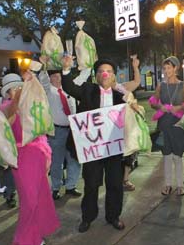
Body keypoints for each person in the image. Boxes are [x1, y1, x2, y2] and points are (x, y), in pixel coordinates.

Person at [61, 57, 126, 233]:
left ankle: (113, 216)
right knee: (91, 184)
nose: (104, 74)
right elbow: (69, 87)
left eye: (109, 71)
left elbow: (129, 121)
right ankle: (87, 217)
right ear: (96, 76)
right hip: (92, 150)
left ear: (113, 76)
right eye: (101, 71)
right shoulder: (88, 90)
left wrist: (135, 107)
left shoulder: (121, 97)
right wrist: (66, 69)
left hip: (113, 150)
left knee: (115, 184)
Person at [0, 70, 60, 245]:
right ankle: (24, 240)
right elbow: (8, 115)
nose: (17, 90)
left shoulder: (30, 107)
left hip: (38, 155)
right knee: (29, 200)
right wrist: (20, 93)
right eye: (13, 89)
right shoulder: (5, 108)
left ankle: (36, 236)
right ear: (7, 94)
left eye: (20, 87)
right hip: (22, 158)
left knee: (41, 198)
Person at [37, 59, 83, 201]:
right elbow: (43, 80)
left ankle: (71, 186)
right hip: (57, 131)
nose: (58, 78)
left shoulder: (69, 89)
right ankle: (56, 187)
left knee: (74, 159)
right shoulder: (48, 91)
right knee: (56, 161)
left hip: (73, 130)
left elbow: (82, 77)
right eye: (54, 76)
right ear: (50, 78)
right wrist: (44, 66)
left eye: (59, 76)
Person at [150, 56, 184, 196]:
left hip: (178, 125)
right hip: (164, 124)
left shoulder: (183, 85)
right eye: (165, 68)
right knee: (166, 156)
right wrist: (160, 106)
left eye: (169, 68)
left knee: (177, 156)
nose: (166, 71)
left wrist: (178, 107)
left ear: (176, 68)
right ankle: (167, 185)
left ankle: (180, 185)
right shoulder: (161, 85)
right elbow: (153, 102)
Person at [113, 55, 141, 192]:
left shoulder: (121, 87)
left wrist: (135, 67)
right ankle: (115, 181)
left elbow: (136, 81)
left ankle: (125, 180)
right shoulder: (101, 91)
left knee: (129, 155)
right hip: (113, 130)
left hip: (127, 127)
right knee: (116, 157)